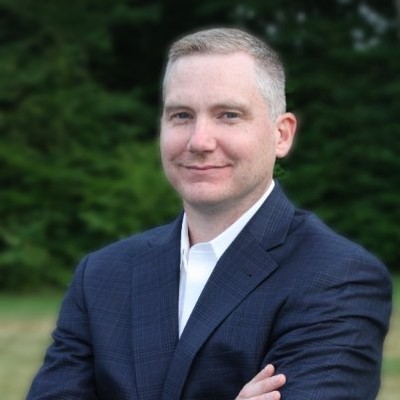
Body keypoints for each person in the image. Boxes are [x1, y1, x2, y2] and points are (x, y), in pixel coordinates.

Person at [26, 27, 392, 400]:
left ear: (281, 134)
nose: (199, 141)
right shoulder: (102, 276)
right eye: (181, 115)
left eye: (228, 115)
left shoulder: (339, 278)